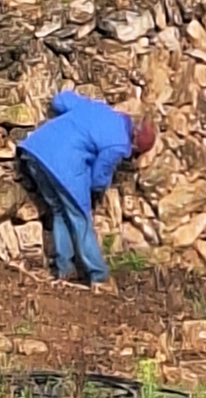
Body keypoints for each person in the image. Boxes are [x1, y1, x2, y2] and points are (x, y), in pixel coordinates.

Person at [17, 92, 157, 285]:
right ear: (134, 143)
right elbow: (98, 177)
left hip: (34, 151)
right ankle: (99, 276)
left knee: (59, 211)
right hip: (65, 167)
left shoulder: (99, 109)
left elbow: (61, 100)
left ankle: (64, 270)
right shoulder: (118, 144)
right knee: (80, 219)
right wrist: (95, 192)